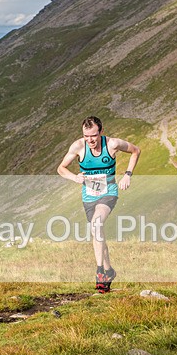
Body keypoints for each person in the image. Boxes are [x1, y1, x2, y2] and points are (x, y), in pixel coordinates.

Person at [57, 116, 141, 293]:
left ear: (101, 132)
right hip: (88, 196)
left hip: (108, 193)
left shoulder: (112, 144)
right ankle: (109, 270)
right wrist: (75, 177)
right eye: (86, 136)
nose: (90, 140)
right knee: (97, 231)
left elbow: (136, 151)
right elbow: (61, 168)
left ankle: (100, 272)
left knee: (97, 223)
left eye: (93, 136)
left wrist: (127, 174)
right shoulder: (78, 146)